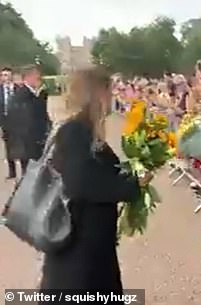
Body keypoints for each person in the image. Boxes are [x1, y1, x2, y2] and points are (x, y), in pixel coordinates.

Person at [39, 68, 152, 300]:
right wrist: (132, 185)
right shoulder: (74, 131)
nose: (112, 96)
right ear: (98, 93)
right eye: (109, 90)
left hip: (90, 244)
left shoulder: (85, 131)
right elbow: (82, 183)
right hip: (79, 248)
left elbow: (95, 173)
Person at [6, 65, 51, 176]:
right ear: (28, 77)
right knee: (29, 174)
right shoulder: (21, 96)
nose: (39, 78)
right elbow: (23, 120)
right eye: (36, 75)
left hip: (38, 140)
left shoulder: (38, 94)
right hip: (28, 142)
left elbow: (43, 115)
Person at [0, 67, 19, 179]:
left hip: (18, 122)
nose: (4, 77)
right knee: (8, 147)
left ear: (11, 76)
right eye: (3, 75)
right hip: (6, 122)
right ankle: (12, 172)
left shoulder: (18, 89)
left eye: (7, 75)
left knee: (21, 145)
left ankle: (24, 169)